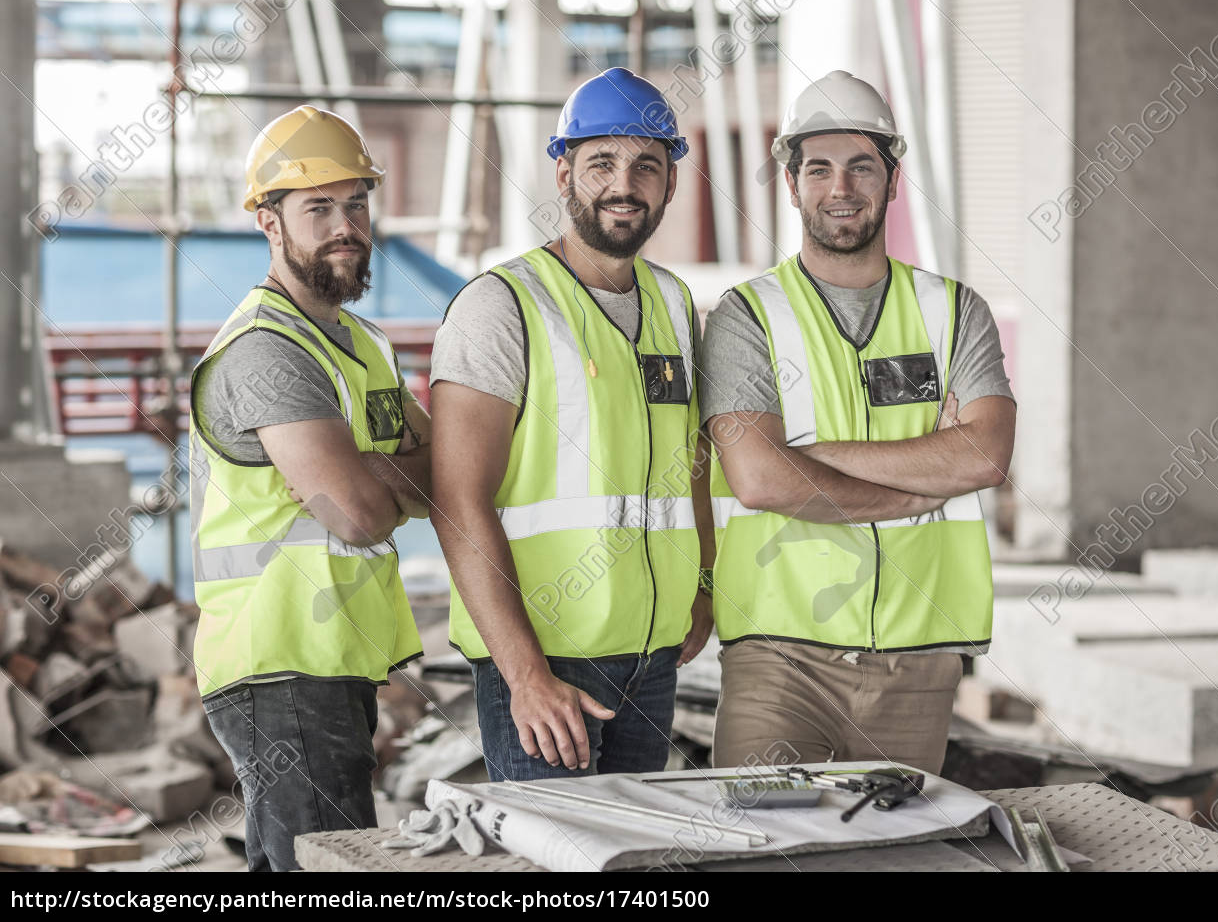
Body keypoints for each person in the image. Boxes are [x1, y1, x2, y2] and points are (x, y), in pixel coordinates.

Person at [702, 71, 1016, 773]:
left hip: (920, 659)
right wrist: (918, 481)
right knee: (763, 847)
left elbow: (985, 457)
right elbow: (757, 477)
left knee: (895, 855)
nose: (840, 188)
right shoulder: (745, 316)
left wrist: (809, 453)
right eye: (819, 168)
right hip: (779, 656)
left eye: (861, 166)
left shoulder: (954, 311)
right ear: (791, 183)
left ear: (892, 179)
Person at [429, 67, 712, 781]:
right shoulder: (502, 307)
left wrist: (703, 584)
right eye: (602, 164)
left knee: (636, 860)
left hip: (652, 658)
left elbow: (692, 461)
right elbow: (458, 501)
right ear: (563, 175)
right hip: (546, 664)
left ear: (670, 183)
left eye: (647, 165)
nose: (626, 184)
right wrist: (524, 673)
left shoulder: (676, 303)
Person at [191, 105, 431, 871]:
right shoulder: (267, 349)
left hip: (332, 658)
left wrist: (367, 472)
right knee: (326, 870)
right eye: (318, 207)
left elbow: (445, 478)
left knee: (310, 866)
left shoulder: (362, 344)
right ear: (269, 222)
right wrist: (378, 477)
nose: (345, 225)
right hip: (280, 661)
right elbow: (357, 513)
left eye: (356, 203)